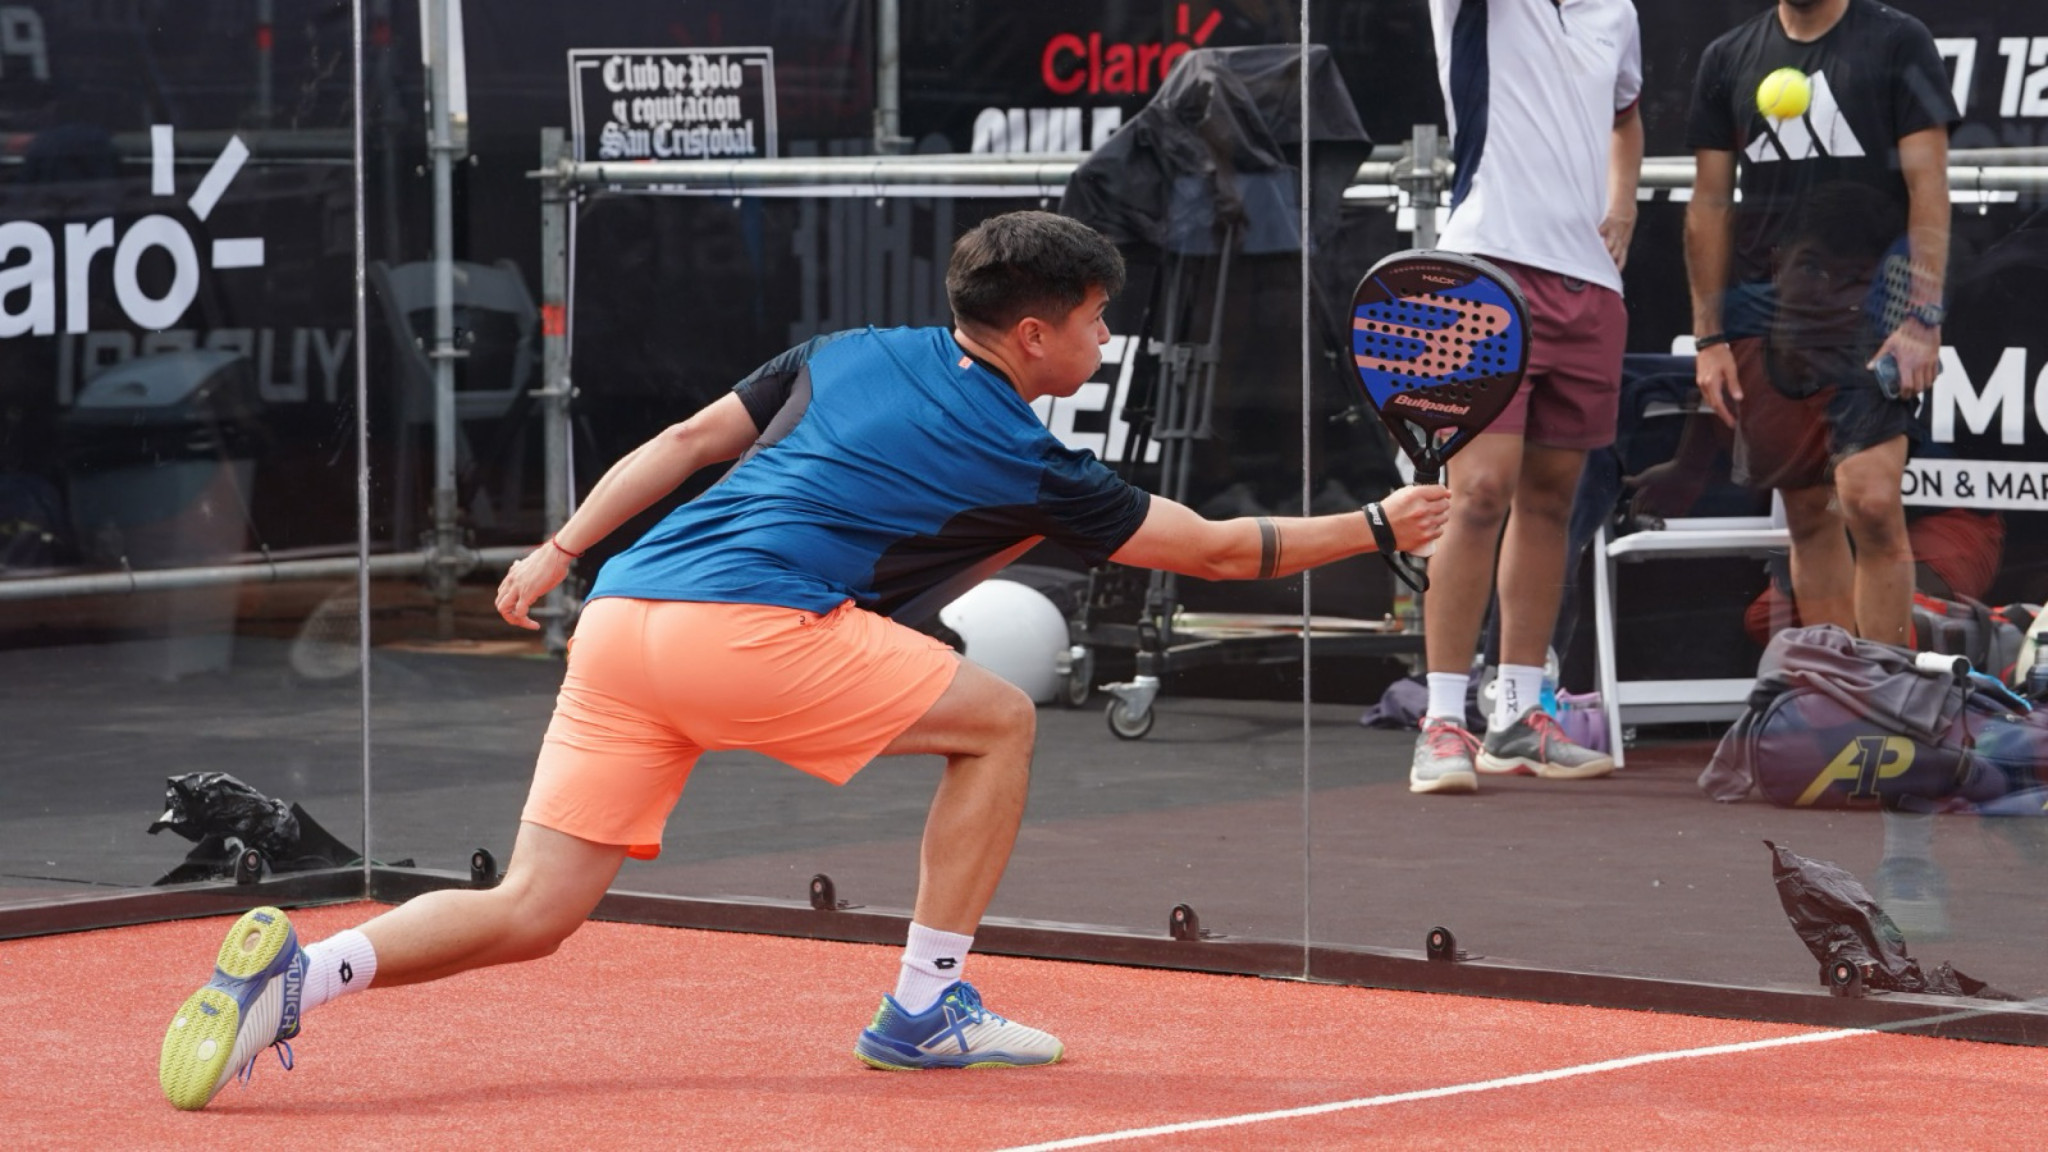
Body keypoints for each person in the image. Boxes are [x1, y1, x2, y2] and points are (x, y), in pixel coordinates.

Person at [155, 210, 1451, 1109]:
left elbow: (682, 444)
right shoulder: (1026, 455)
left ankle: (299, 977)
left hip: (619, 617)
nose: (1104, 342)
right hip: (746, 627)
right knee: (999, 721)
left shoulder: (839, 353)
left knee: (535, 910)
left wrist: (559, 548)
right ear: (1035, 334)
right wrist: (1377, 524)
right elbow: (1217, 551)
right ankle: (926, 1008)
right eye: (1097, 320)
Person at [1407, 0, 1643, 794]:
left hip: (1589, 288)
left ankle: (1517, 716)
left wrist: (1622, 204)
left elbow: (1626, 115)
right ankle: (1443, 722)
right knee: (1476, 494)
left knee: (1551, 504)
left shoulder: (1617, 11)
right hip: (1484, 269)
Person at [1684, 0, 1958, 652]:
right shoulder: (1727, 58)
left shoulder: (1898, 40)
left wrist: (1921, 315)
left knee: (1870, 501)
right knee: (1808, 513)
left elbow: (1928, 187)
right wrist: (1709, 336)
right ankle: (1841, 691)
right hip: (1767, 312)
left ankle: (1887, 690)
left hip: (1875, 306)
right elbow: (1710, 203)